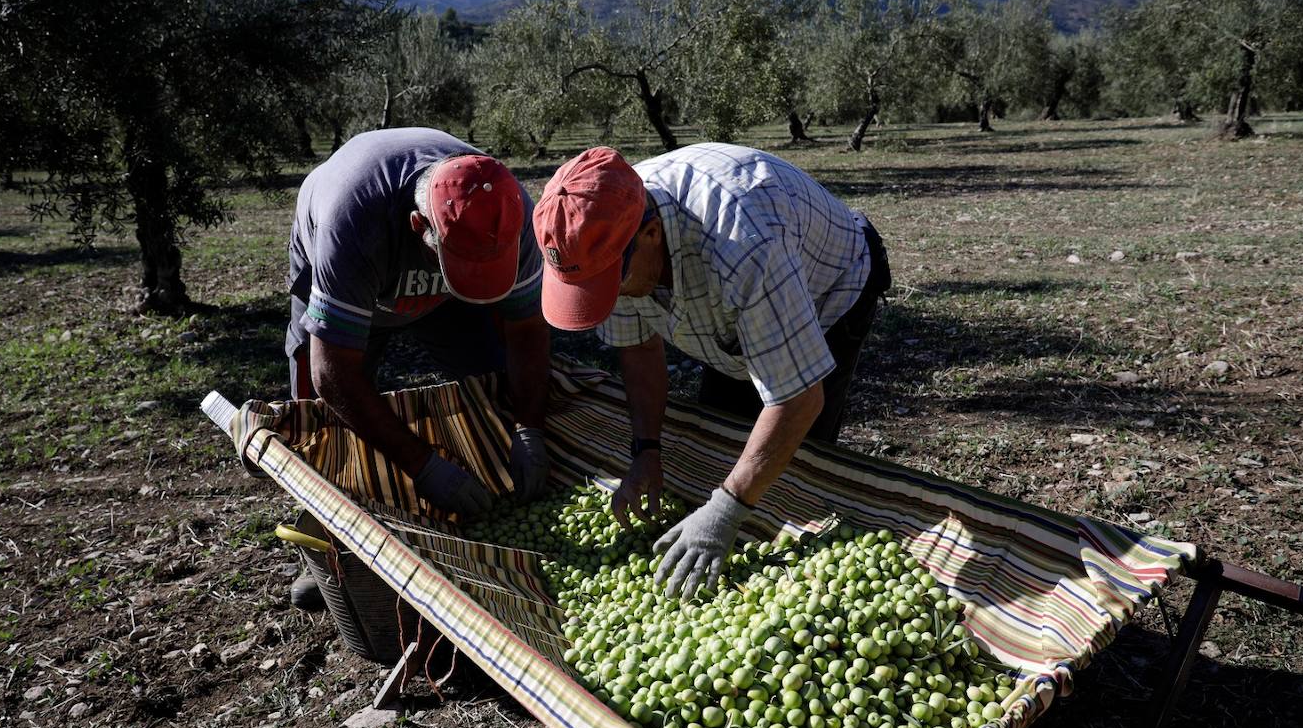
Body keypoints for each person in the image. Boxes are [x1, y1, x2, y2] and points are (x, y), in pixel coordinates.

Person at [533, 144, 890, 601]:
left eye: (609, 283)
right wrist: (646, 451)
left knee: (796, 468)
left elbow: (799, 397)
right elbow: (639, 348)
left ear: (651, 235)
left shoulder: (744, 246)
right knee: (727, 446)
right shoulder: (599, 227)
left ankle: (799, 577)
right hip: (724, 312)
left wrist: (726, 509)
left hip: (830, 292)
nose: (606, 296)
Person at [286, 128, 553, 608]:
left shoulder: (510, 211)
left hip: (446, 298)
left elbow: (528, 331)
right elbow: (333, 374)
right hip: (352, 273)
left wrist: (528, 426)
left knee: (491, 385)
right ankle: (333, 556)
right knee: (321, 426)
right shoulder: (354, 219)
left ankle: (490, 500)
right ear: (418, 226)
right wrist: (422, 464)